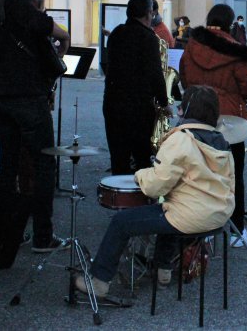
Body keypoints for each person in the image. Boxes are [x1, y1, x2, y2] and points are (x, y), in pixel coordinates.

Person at [75, 85, 234, 297]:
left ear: (184, 111)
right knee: (169, 210)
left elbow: (154, 187)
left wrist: (140, 174)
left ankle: (99, 282)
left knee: (121, 222)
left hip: (192, 216)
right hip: (219, 215)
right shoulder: (223, 142)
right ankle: (163, 270)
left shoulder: (181, 139)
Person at [0, 0, 71, 253]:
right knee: (43, 164)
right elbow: (48, 27)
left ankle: (6, 234)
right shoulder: (16, 6)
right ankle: (42, 236)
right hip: (28, 96)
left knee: (7, 166)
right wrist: (62, 42)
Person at [179, 4, 247, 247]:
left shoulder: (191, 46)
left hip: (196, 118)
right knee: (233, 174)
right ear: (231, 24)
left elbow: (183, 78)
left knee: (198, 172)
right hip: (229, 122)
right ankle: (237, 232)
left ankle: (202, 228)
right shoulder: (235, 52)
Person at [103, 0, 170, 174]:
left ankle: (119, 195)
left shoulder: (117, 33)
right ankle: (138, 198)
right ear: (148, 14)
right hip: (138, 107)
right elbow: (155, 73)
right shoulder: (148, 38)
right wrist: (164, 103)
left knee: (118, 158)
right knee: (141, 158)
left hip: (112, 103)